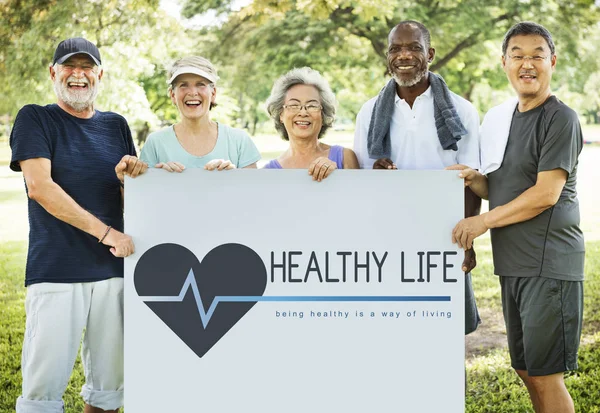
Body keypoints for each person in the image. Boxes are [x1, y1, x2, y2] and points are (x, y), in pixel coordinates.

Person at [453, 22, 584, 413]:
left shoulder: (561, 118)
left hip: (548, 266)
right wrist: (474, 178)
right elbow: (502, 188)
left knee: (547, 375)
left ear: (552, 62)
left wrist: (482, 222)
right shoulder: (503, 119)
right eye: (518, 56)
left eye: (537, 55)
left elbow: (545, 195)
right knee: (527, 370)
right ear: (504, 62)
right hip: (514, 265)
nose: (528, 64)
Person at [9, 38, 146, 413]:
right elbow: (40, 188)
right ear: (54, 73)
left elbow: (130, 201)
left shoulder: (116, 125)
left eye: (88, 67)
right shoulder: (35, 117)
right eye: (70, 66)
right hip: (56, 271)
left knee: (108, 391)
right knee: (42, 394)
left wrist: (124, 181)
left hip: (112, 272)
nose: (79, 74)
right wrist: (107, 233)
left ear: (100, 75)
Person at [353, 20, 481, 334]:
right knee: (392, 329)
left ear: (431, 53)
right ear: (387, 56)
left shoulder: (463, 112)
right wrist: (376, 173)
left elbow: (473, 181)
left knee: (446, 334)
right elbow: (360, 180)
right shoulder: (369, 113)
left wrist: (465, 242)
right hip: (386, 238)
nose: (404, 55)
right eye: (395, 49)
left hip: (444, 237)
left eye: (414, 47)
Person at [140, 56, 260, 171]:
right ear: (172, 95)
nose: (192, 92)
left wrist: (233, 176)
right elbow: (140, 190)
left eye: (201, 84)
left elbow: (254, 190)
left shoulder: (239, 141)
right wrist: (159, 177)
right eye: (183, 85)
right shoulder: (155, 143)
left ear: (213, 93)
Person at [264, 67, 359, 179]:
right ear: (281, 114)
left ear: (323, 115)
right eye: (294, 105)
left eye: (312, 106)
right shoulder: (268, 172)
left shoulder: (345, 157)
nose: (303, 112)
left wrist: (337, 176)